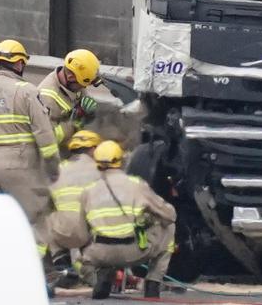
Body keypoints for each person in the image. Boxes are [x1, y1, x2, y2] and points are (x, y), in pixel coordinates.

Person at [0, 39, 60, 257]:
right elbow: (44, 135)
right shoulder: (27, 91)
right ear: (18, 64)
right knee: (36, 218)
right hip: (21, 166)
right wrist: (54, 170)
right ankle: (33, 269)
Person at [78, 141, 176, 299]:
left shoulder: (88, 191)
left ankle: (100, 277)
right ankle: (153, 283)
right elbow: (170, 215)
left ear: (97, 163)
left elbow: (79, 232)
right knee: (169, 228)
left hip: (99, 254)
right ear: (121, 161)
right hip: (134, 251)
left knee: (83, 238)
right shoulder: (137, 185)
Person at [46, 130, 102, 287]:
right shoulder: (100, 170)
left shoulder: (57, 169)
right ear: (93, 149)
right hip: (88, 235)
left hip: (59, 234)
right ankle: (93, 271)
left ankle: (61, 264)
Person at [38, 49, 101, 156]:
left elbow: (82, 101)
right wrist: (73, 124)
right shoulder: (47, 98)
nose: (83, 88)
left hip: (73, 150)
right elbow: (47, 137)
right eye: (82, 84)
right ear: (70, 77)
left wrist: (89, 113)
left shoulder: (74, 83)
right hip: (56, 158)